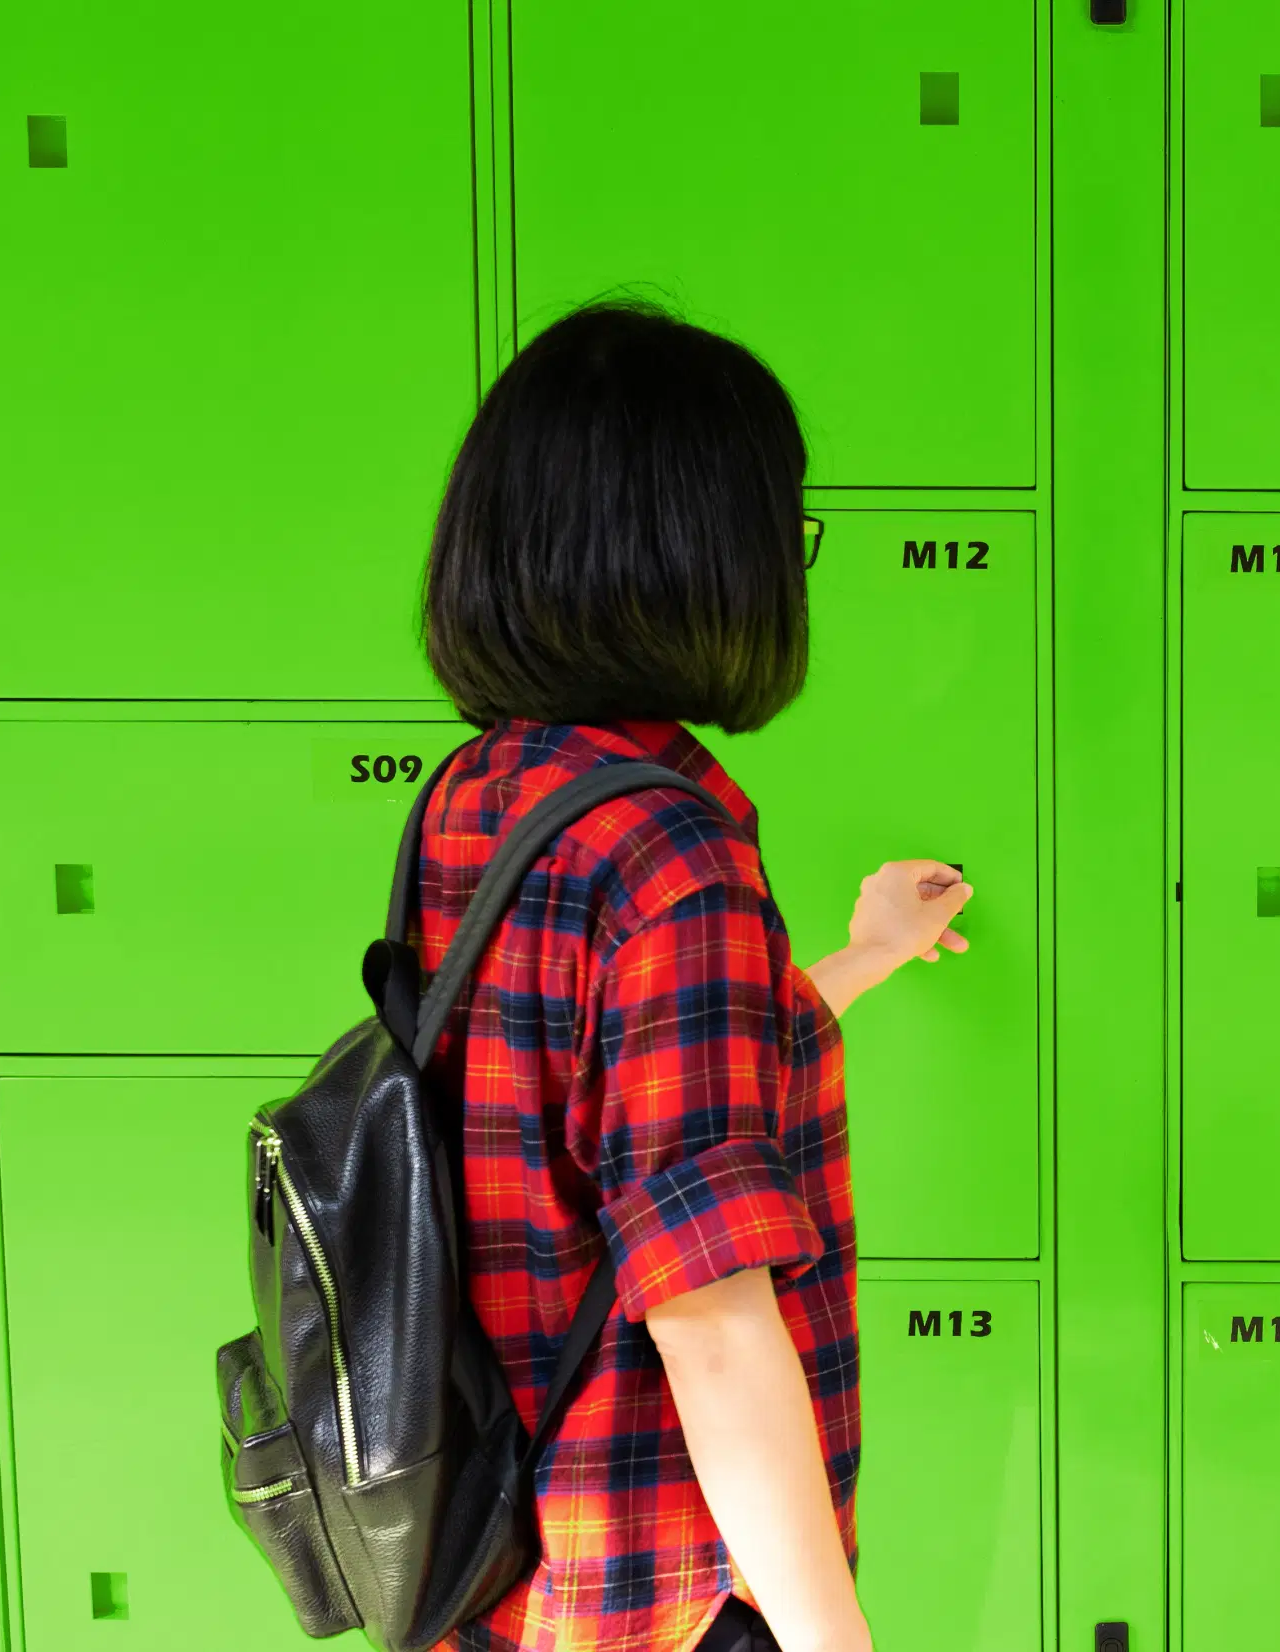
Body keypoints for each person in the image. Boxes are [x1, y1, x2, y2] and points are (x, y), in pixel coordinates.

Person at [414, 300, 969, 1652]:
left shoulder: (491, 795)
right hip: (658, 1589)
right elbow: (709, 1319)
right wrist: (833, 1641)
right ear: (701, 556)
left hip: (505, 1559)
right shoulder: (672, 854)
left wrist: (864, 956)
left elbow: (622, 1114)